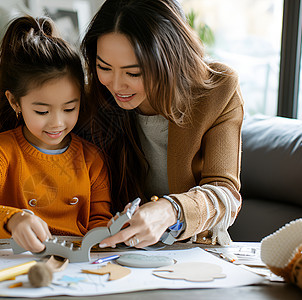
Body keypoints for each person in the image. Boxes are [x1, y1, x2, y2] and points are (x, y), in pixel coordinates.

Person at [80, 0, 243, 249]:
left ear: (169, 60)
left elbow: (226, 197)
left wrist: (172, 210)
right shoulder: (95, 98)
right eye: (104, 67)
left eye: (133, 73)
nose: (115, 85)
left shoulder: (216, 91)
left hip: (192, 251)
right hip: (115, 251)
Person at [0, 16, 112, 253]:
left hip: (73, 269)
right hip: (13, 263)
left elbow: (100, 223)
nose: (57, 122)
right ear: (15, 102)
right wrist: (13, 219)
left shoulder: (92, 159)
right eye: (42, 111)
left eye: (70, 108)